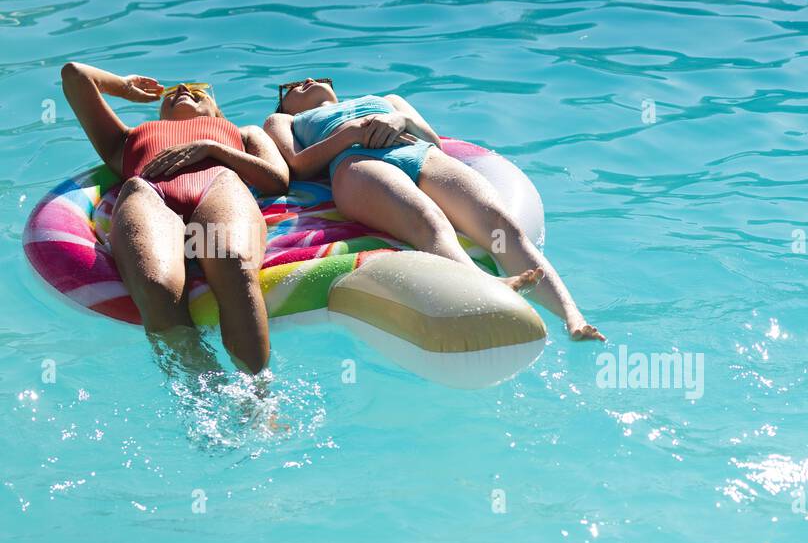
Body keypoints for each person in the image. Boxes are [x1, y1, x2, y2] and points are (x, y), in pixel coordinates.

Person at [264, 78, 603, 341]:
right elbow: (298, 166)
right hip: (355, 164)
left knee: (500, 224)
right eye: (292, 87)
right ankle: (491, 285)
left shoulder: (390, 101)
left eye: (315, 78)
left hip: (421, 154)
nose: (305, 81)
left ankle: (573, 317)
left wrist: (398, 121)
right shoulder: (283, 120)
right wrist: (350, 132)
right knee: (428, 223)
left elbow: (434, 140)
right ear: (286, 104)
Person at [61, 64, 290, 373]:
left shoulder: (241, 132)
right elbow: (74, 75)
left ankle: (260, 401)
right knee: (156, 287)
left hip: (218, 186)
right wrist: (123, 87)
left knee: (233, 262)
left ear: (216, 111)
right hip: (148, 194)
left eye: (197, 90)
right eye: (172, 92)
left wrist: (211, 148)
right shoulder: (125, 139)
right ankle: (201, 396)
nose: (183, 88)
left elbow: (277, 179)